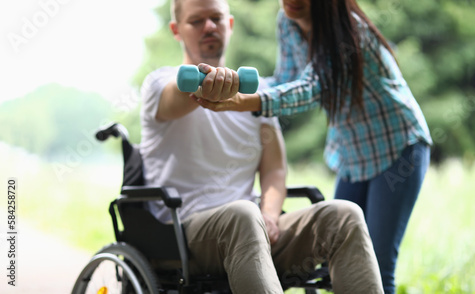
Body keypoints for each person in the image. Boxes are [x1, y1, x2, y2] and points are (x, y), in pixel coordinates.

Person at [139, 0, 384, 293]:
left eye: (216, 18)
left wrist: (269, 214)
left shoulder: (258, 94)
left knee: (344, 214)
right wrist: (202, 85)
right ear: (176, 30)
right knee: (243, 214)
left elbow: (275, 169)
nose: (208, 26)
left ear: (229, 25)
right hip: (185, 236)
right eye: (196, 21)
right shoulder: (159, 84)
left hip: (254, 229)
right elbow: (175, 98)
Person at [193, 0, 433, 293]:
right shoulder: (288, 22)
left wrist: (245, 102)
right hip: (353, 153)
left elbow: (311, 88)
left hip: (399, 145)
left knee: (379, 265)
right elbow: (286, 80)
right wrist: (230, 83)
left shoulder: (351, 34)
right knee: (340, 254)